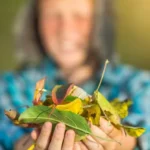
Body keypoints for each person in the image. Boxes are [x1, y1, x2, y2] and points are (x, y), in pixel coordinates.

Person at [0, 0, 150, 149]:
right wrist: (23, 145)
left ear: (100, 23)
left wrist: (118, 142)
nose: (65, 29)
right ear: (36, 22)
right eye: (53, 16)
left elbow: (145, 129)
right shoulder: (8, 86)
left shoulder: (139, 85)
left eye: (79, 16)